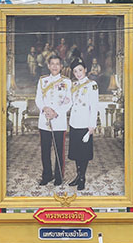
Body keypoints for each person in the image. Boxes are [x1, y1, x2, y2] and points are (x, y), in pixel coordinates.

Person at [35, 55, 72, 186]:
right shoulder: (43, 81)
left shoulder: (67, 82)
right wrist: (45, 108)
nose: (55, 66)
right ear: (48, 66)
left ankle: (58, 176)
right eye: (52, 64)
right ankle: (46, 175)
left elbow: (69, 101)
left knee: (59, 150)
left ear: (61, 66)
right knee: (45, 150)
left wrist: (56, 112)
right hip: (44, 121)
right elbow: (38, 98)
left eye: (57, 64)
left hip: (59, 121)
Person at [67, 58, 99, 191]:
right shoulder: (73, 85)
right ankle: (78, 175)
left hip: (85, 124)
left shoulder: (92, 84)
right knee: (76, 152)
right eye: (75, 71)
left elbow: (94, 106)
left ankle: (82, 178)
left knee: (84, 153)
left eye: (80, 70)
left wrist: (92, 125)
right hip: (74, 122)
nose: (78, 73)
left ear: (85, 70)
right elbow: (70, 102)